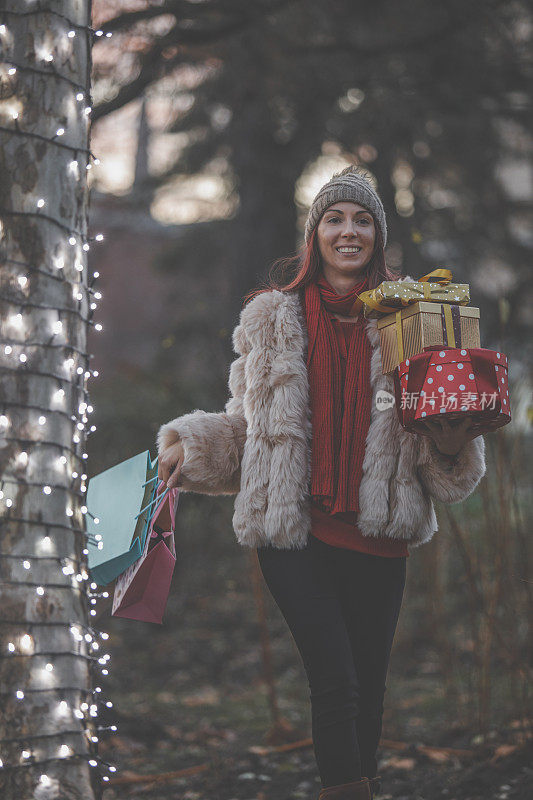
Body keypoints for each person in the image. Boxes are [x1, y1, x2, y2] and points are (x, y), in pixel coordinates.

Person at [156, 166, 486, 800]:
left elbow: (442, 457)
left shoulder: (415, 316)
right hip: (294, 532)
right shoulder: (270, 318)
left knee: (368, 684)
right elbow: (248, 425)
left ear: (378, 237)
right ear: (315, 235)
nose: (348, 231)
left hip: (379, 532)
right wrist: (188, 451)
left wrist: (452, 441)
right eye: (334, 218)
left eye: (362, 220)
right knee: (335, 682)